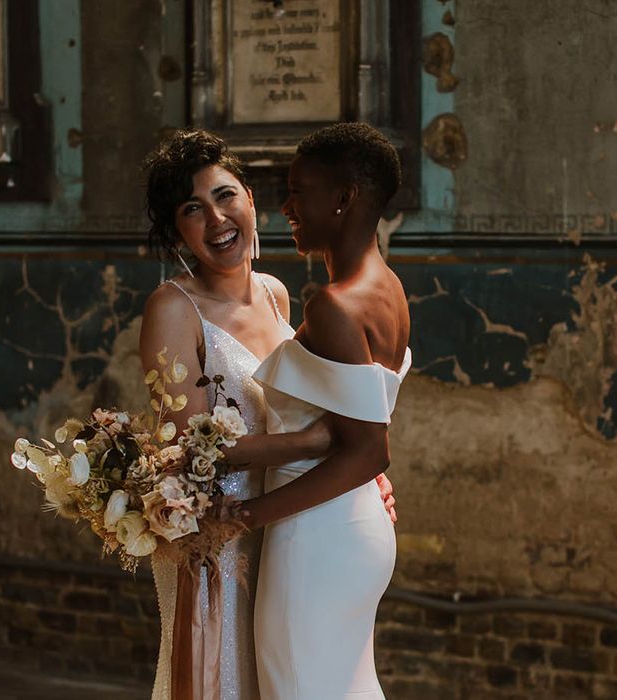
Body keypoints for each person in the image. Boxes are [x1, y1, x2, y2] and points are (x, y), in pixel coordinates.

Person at [138, 129, 396, 700]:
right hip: (221, 527)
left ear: (250, 199)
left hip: (292, 521)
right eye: (191, 210)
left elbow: (336, 407)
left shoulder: (278, 293)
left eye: (225, 196)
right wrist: (318, 445)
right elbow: (186, 448)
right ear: (177, 231)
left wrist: (364, 473)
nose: (216, 219)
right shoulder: (172, 309)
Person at [240, 123, 412, 700]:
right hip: (354, 529)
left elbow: (369, 449)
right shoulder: (388, 288)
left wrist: (248, 516)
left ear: (343, 198)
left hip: (315, 535)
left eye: (298, 190)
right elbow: (361, 430)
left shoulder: (335, 304)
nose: (286, 206)